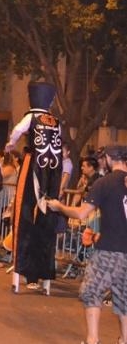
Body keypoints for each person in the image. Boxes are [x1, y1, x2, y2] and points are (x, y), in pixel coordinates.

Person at [47, 145, 127, 344]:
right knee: (123, 296)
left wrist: (59, 207)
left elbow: (82, 213)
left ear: (109, 158)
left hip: (110, 248)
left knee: (91, 291)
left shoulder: (104, 183)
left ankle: (92, 340)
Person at [5, 82, 63, 294]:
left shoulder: (31, 117)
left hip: (33, 166)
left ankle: (22, 271)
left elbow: (18, 131)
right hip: (52, 172)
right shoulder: (56, 121)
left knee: (24, 216)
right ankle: (42, 274)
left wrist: (10, 145)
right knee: (46, 220)